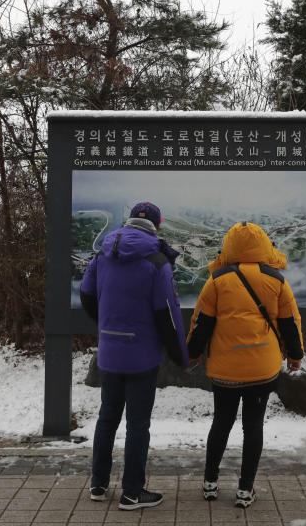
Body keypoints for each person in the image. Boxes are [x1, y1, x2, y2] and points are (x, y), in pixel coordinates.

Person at [79, 201, 188, 511]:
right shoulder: (156, 261)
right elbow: (167, 315)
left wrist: (107, 324)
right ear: (157, 225)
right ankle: (132, 492)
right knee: (137, 425)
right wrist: (181, 355)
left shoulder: (103, 255)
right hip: (141, 356)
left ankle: (98, 484)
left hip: (110, 353)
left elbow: (87, 297)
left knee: (107, 418)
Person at [186, 221, 304, 508]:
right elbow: (290, 322)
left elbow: (202, 323)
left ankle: (210, 483)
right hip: (261, 371)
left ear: (229, 247)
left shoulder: (217, 281)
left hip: (225, 371)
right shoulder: (276, 280)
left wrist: (192, 354)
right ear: (264, 245)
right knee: (253, 427)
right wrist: (295, 355)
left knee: (221, 424)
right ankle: (245, 490)